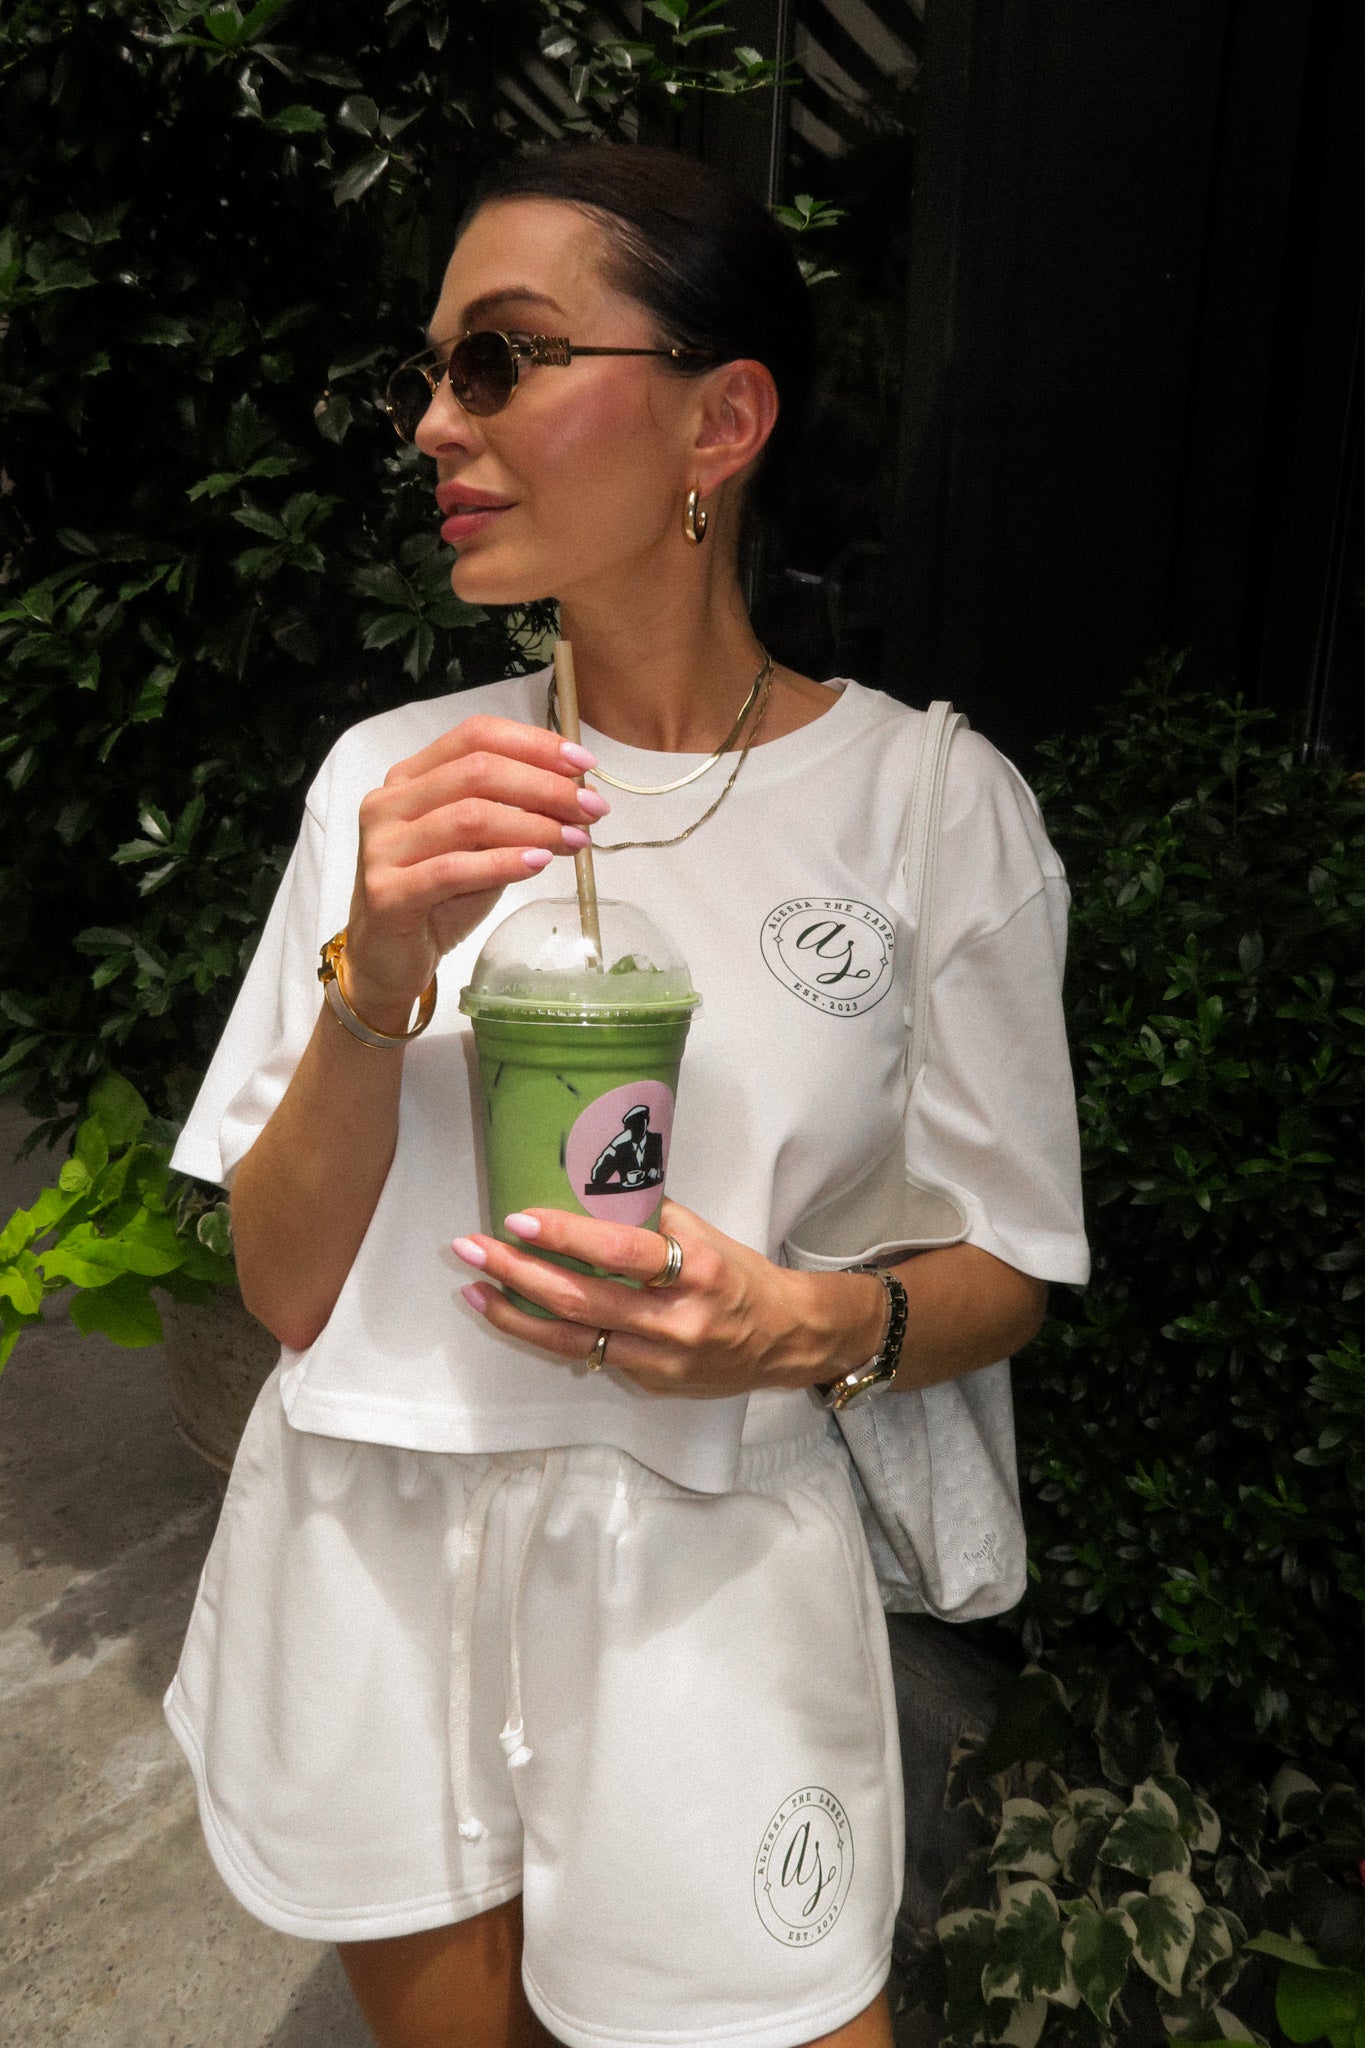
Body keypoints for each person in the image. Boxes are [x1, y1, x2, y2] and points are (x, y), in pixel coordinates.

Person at [165, 143, 1089, 2048]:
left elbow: (1009, 1265)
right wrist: (378, 974)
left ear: (717, 421)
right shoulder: (394, 783)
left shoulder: (928, 808)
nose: (437, 422)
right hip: (372, 1544)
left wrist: (800, 1325)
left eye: (497, 360)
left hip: (712, 1572)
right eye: (430, 371)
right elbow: (280, 1287)